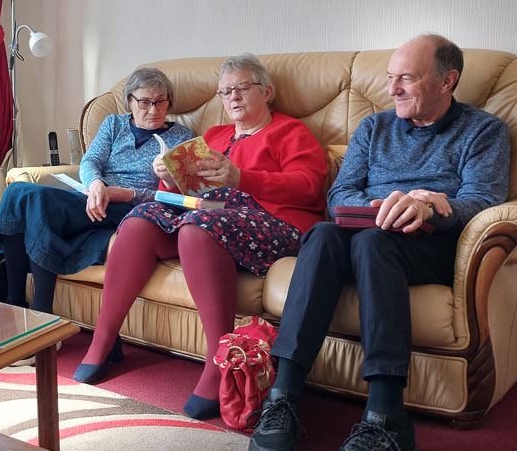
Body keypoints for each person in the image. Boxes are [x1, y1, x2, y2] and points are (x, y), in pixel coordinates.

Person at [247, 34, 511, 451]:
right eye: (390, 78)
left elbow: (485, 200)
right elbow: (338, 195)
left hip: (424, 243)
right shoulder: (374, 128)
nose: (393, 89)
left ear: (448, 80)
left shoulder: (484, 130)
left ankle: (388, 418)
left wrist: (434, 203)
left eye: (406, 78)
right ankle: (285, 396)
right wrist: (374, 205)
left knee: (372, 244)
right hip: (364, 231)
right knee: (325, 233)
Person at [73, 54, 327, 420]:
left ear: (267, 91)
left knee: (197, 227)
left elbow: (309, 187)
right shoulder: (213, 136)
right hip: (209, 215)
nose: (233, 97)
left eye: (242, 88)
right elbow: (185, 196)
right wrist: (168, 177)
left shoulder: (290, 132)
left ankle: (216, 361)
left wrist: (241, 178)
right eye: (225, 91)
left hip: (272, 223)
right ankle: (104, 338)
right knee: (140, 221)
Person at [0, 67, 194, 312]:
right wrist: (97, 184)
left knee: (39, 203)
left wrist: (127, 193)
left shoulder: (182, 137)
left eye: (161, 102)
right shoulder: (114, 124)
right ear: (129, 102)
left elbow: (179, 197)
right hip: (94, 197)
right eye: (144, 102)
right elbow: (90, 161)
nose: (153, 110)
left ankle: (40, 313)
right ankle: (14, 302)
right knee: (16, 191)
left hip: (132, 208)